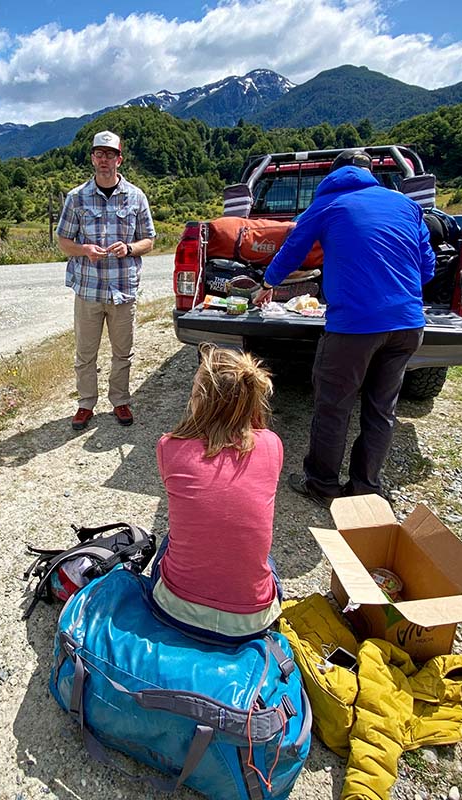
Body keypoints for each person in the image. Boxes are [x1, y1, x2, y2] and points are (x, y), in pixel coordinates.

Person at [253, 148, 434, 505]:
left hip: (354, 326)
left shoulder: (327, 204)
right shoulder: (406, 205)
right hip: (408, 324)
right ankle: (366, 486)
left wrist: (267, 282)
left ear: (332, 176)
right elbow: (426, 267)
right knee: (382, 408)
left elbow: (292, 251)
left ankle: (321, 485)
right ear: (371, 174)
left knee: (334, 405)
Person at [149, 344, 283, 643]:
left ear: (200, 399)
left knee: (175, 536)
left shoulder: (169, 446)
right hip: (252, 622)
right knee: (255, 553)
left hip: (176, 610)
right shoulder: (272, 444)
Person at [56, 130, 156, 431]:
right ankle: (86, 404)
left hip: (123, 289)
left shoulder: (136, 196)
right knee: (85, 353)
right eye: (99, 154)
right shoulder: (76, 198)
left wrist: (129, 248)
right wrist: (84, 250)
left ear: (119, 159)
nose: (104, 159)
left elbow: (149, 240)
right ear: (92, 158)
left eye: (109, 154)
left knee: (122, 351)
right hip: (88, 289)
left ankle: (120, 400)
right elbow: (63, 241)